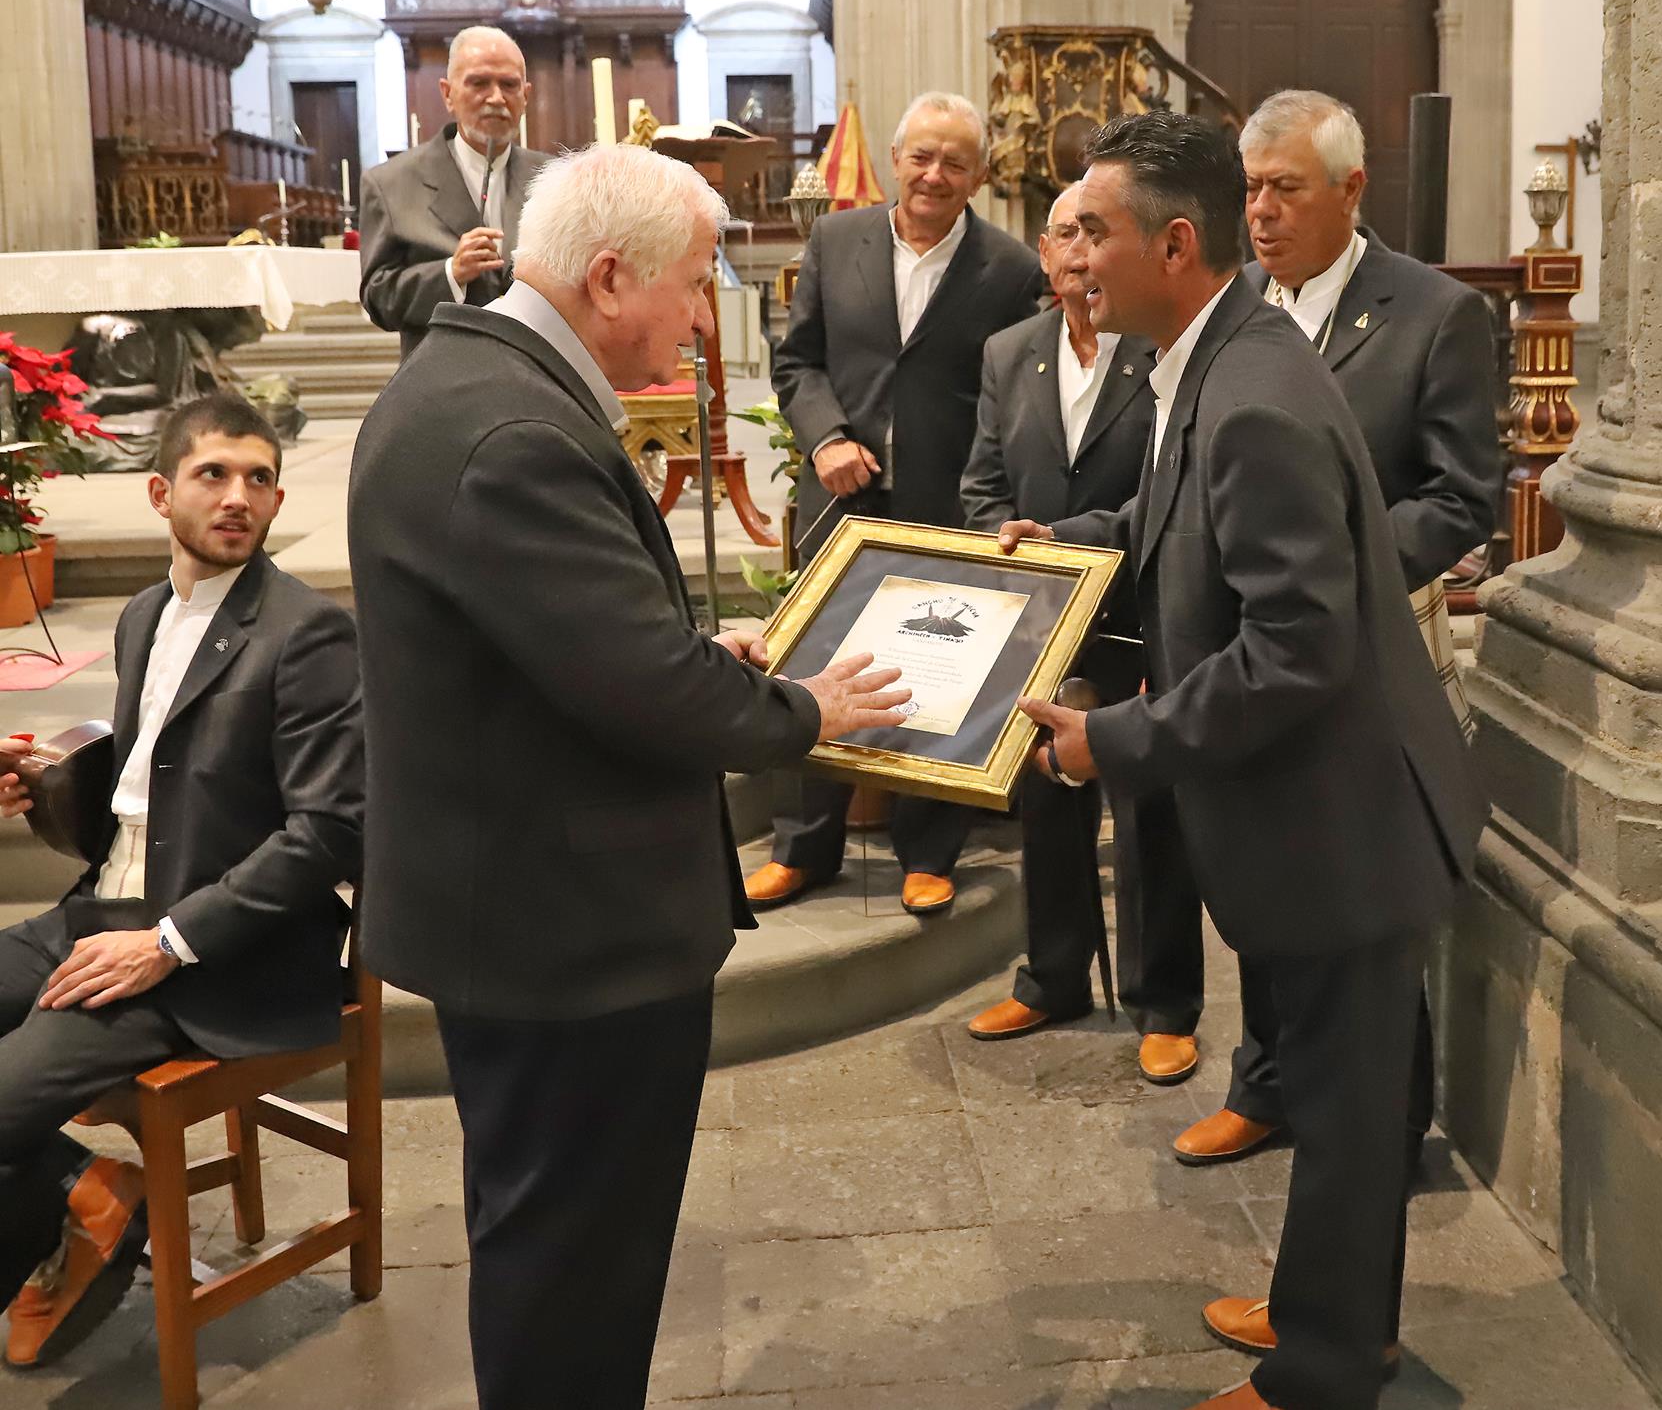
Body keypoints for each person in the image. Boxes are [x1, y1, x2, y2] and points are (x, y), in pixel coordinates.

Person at [347, 144, 909, 1410]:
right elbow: (644, 691)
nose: (705, 320)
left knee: (546, 1243)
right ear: (609, 277)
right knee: (574, 1272)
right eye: (697, 282)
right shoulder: (512, 431)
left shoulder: (468, 377)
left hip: (521, 905)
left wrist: (691, 648)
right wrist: (805, 708)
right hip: (567, 936)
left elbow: (558, 643)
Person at [1005, 111, 1488, 1410]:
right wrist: (1064, 542)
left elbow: (1294, 649)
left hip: (1341, 817)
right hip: (1306, 808)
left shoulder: (1252, 392)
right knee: (1333, 1095)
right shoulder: (1214, 354)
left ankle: (1321, 1371)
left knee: (1344, 1112)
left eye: (1095, 231)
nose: (1074, 257)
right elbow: (1175, 521)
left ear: (1173, 244)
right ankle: (1331, 1314)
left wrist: (1114, 740)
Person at [1164, 87, 1501, 1373]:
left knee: (1353, 929)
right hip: (1265, 643)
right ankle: (1266, 1086)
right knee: (1277, 894)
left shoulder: (1429, 312)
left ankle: (1356, 1178)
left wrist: (1345, 562)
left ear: (1350, 192)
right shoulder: (1237, 312)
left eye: (1283, 189)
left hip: (1368, 646)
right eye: (1247, 188)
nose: (1257, 211)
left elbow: (1462, 494)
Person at [0, 394, 362, 1369]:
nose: (238, 495)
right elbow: (149, 797)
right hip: (99, 912)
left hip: (216, 953)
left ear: (276, 499)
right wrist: (40, 786)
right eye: (213, 473)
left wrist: (167, 942)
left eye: (258, 478)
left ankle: (65, 1217)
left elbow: (328, 832)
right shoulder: (143, 615)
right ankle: (84, 1195)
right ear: (162, 493)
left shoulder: (308, 633)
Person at [747, 90, 1047, 918]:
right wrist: (824, 438)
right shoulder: (834, 239)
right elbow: (796, 360)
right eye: (921, 156)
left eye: (954, 162)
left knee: (939, 675)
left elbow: (1011, 396)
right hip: (841, 494)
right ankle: (802, 848)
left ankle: (927, 852)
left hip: (947, 502)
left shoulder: (1009, 269)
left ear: (978, 175)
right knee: (818, 661)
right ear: (894, 160)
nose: (934, 175)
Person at [958, 184, 1203, 1084]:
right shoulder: (1008, 351)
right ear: (1042, 248)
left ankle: (1163, 1001)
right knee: (1046, 798)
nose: (1075, 251)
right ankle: (1053, 976)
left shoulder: (1158, 348)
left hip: (1140, 607)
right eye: (1062, 233)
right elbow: (983, 482)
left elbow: (1171, 485)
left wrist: (1088, 555)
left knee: (1147, 807)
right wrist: (1003, 547)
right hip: (1041, 614)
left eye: (1090, 233)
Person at [358, 26, 552, 357]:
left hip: (537, 368)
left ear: (526, 95)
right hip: (442, 371)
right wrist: (452, 273)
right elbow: (379, 298)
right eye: (479, 83)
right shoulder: (391, 183)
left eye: (509, 85)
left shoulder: (552, 178)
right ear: (448, 94)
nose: (496, 98)